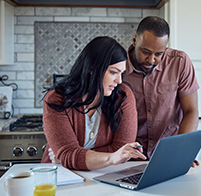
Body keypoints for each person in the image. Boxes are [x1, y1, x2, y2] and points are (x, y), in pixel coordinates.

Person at [41, 36, 146, 171]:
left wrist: (72, 157)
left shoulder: (123, 96)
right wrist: (69, 156)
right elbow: (68, 154)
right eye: (113, 72)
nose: (119, 80)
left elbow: (123, 150)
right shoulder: (56, 100)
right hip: (60, 176)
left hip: (105, 174)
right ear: (92, 67)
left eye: (122, 73)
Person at [124, 16, 200, 161]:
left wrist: (182, 149)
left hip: (168, 154)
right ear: (135, 41)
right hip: (129, 157)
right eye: (145, 52)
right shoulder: (118, 67)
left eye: (159, 54)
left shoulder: (180, 62)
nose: (151, 60)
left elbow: (191, 111)